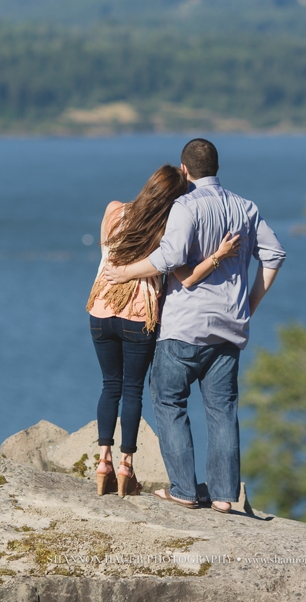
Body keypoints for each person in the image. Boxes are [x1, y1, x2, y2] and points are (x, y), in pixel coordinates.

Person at [104, 139, 286, 513]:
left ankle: (184, 490)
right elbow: (275, 254)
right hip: (229, 330)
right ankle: (222, 496)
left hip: (183, 327)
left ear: (185, 171)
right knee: (222, 411)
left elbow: (169, 258)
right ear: (217, 167)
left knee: (169, 401)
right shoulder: (245, 207)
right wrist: (249, 305)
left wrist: (123, 272)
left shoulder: (185, 206)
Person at [87, 164, 241, 497]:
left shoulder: (114, 210)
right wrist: (218, 256)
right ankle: (126, 467)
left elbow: (105, 253)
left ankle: (103, 462)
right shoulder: (167, 232)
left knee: (109, 385)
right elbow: (186, 277)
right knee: (132, 389)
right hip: (138, 317)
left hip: (100, 309)